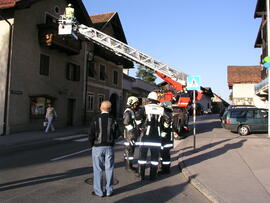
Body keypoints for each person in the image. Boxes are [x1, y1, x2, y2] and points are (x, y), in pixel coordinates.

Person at [88, 101, 119, 197]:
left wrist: (92, 144)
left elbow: (91, 134)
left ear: (100, 108)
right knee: (109, 169)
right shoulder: (113, 119)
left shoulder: (96, 118)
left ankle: (99, 191)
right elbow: (117, 134)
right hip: (109, 147)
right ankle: (109, 190)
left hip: (97, 147)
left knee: (98, 169)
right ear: (110, 109)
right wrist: (112, 140)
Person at [137, 91, 165, 180]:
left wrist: (140, 127)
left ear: (149, 100)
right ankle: (153, 176)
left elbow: (137, 118)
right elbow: (167, 121)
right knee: (154, 159)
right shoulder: (161, 109)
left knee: (142, 158)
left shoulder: (144, 108)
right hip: (157, 138)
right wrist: (163, 130)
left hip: (146, 137)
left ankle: (141, 176)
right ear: (156, 100)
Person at [123, 96, 141, 171]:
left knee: (131, 150)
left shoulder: (131, 111)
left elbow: (133, 122)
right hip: (129, 135)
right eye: (135, 103)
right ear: (131, 103)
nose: (136, 105)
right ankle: (128, 167)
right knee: (129, 151)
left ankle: (129, 165)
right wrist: (133, 131)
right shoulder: (128, 112)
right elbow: (126, 123)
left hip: (131, 135)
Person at [160, 101, 174, 174]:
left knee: (164, 154)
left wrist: (163, 130)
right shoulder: (170, 113)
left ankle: (165, 170)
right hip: (168, 137)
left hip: (166, 137)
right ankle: (165, 168)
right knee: (166, 154)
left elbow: (166, 125)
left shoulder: (166, 113)